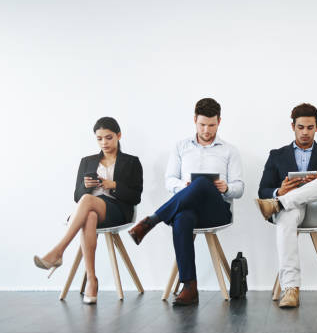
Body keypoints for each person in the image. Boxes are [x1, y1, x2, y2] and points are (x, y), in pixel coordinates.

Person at [128, 98, 244, 306]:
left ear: (219, 122)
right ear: (194, 121)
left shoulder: (229, 150)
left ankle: (152, 220)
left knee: (201, 183)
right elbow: (169, 180)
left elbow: (240, 188)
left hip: (216, 209)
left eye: (211, 125)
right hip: (188, 207)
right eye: (202, 124)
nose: (206, 130)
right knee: (181, 219)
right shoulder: (181, 147)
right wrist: (185, 187)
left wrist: (226, 187)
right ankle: (189, 286)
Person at [34, 117, 143, 304]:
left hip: (117, 211)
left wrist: (113, 185)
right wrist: (86, 186)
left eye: (108, 138)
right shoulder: (87, 161)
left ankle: (58, 251)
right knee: (89, 214)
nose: (104, 143)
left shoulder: (132, 162)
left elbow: (135, 197)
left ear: (118, 135)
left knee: (87, 202)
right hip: (90, 208)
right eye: (99, 139)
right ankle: (92, 281)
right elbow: (77, 196)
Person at [256, 103, 317, 308]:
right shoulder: (277, 155)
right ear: (293, 127)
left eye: (309, 127)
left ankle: (282, 202)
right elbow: (262, 191)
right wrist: (280, 191)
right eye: (300, 127)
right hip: (293, 211)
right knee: (287, 215)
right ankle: (290, 289)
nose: (305, 132)